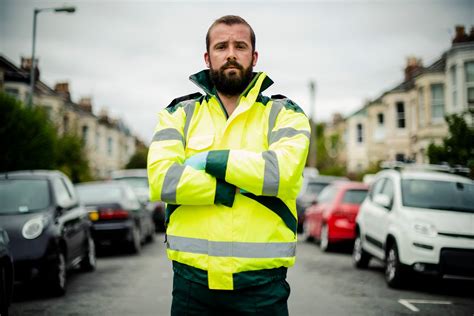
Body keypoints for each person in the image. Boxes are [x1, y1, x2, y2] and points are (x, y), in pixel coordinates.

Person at [147, 15, 310, 315]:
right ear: (208, 58)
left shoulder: (285, 114)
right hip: (191, 287)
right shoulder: (178, 115)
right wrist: (230, 187)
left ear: (254, 56)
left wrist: (207, 161)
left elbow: (281, 175)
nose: (231, 53)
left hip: (263, 290)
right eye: (222, 46)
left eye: (240, 46)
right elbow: (163, 180)